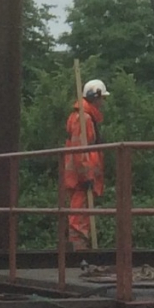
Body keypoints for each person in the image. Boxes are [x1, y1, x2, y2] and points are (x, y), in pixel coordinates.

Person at [63, 78, 109, 251]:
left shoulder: (83, 117)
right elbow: (80, 150)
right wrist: (86, 175)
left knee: (81, 211)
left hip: (79, 175)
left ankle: (80, 245)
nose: (103, 102)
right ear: (95, 97)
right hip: (81, 177)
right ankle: (78, 247)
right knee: (79, 212)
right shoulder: (83, 119)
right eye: (102, 98)